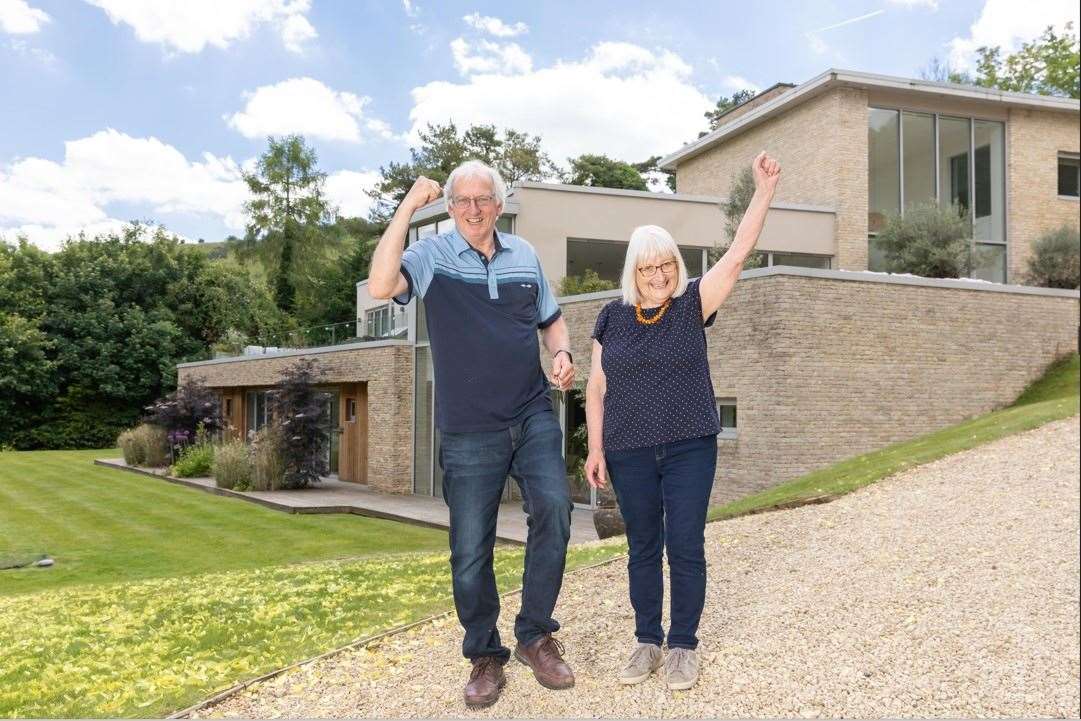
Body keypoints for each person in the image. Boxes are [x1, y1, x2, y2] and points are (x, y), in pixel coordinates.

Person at [368, 160, 577, 708]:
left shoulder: (524, 255)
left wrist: (561, 351)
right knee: (468, 551)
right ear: (450, 206)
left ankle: (535, 635)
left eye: (484, 199)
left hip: (531, 410)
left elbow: (551, 319)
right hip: (468, 428)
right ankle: (485, 655)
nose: (475, 208)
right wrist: (409, 206)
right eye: (463, 200)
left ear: (499, 205)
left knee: (555, 509)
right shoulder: (431, 256)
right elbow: (381, 283)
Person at [584, 151, 781, 691]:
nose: (657, 275)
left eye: (665, 263)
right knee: (642, 545)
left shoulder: (695, 303)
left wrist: (762, 192)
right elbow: (597, 387)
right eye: (647, 267)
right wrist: (595, 448)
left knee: (685, 545)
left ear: (676, 264)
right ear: (633, 271)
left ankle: (682, 646)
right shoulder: (612, 316)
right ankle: (647, 639)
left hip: (690, 445)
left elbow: (738, 255)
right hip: (627, 450)